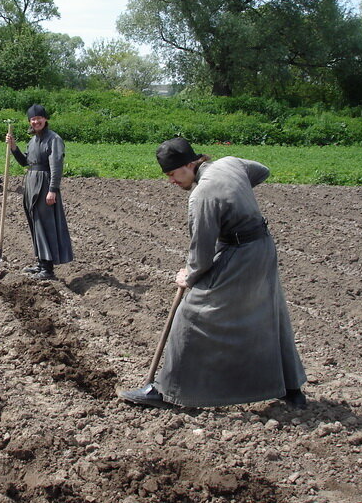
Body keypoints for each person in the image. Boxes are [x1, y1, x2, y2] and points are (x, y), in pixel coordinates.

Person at [121, 137, 307, 409]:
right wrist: (234, 190)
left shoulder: (202, 194)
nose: (172, 181)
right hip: (263, 248)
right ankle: (292, 391)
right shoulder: (229, 163)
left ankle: (165, 391)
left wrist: (189, 275)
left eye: (174, 174)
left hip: (240, 253)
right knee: (270, 314)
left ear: (190, 164)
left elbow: (202, 251)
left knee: (190, 314)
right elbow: (262, 170)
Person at [5, 104, 73, 281]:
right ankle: (42, 263)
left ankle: (48, 270)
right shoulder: (33, 140)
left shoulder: (54, 139)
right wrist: (13, 147)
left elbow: (56, 166)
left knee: (45, 224)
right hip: (31, 183)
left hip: (44, 184)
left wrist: (52, 190)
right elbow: (25, 162)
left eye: (39, 118)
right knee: (35, 223)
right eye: (33, 119)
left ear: (45, 119)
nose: (36, 121)